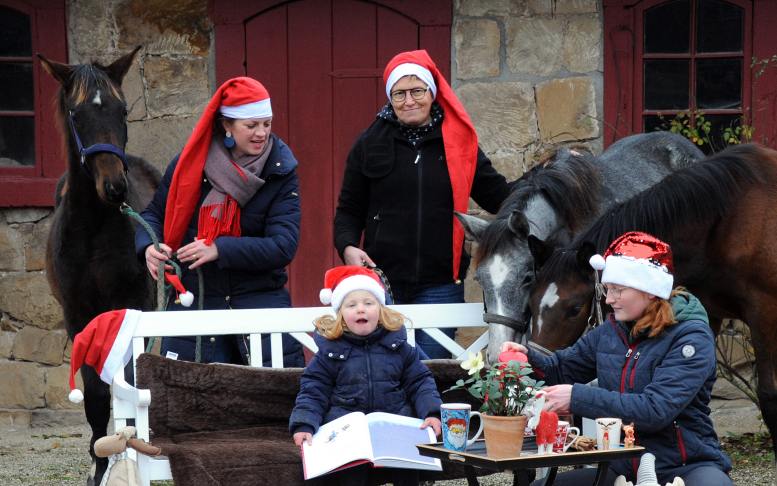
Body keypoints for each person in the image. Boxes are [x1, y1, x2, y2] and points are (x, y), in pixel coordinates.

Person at [502, 232, 733, 486]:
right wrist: (527, 358)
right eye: (607, 289)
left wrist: (574, 397)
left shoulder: (691, 337)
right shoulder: (612, 330)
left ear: (649, 290)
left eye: (617, 290)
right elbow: (561, 369)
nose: (609, 299)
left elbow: (655, 410)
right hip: (621, 467)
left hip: (686, 467)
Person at [334, 50, 518, 359]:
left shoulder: (459, 143)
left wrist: (547, 172)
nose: (409, 101)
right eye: (400, 93)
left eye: (417, 91)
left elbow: (500, 195)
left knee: (431, 371)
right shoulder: (369, 142)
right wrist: (348, 246)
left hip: (440, 283)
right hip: (382, 283)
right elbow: (349, 210)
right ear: (389, 97)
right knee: (387, 368)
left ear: (432, 93)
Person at [135, 77, 304, 367]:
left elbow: (283, 246)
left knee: (266, 409)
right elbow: (154, 214)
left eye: (267, 123)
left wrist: (220, 249)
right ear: (227, 125)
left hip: (259, 308)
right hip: (195, 306)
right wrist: (147, 247)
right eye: (251, 126)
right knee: (191, 407)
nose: (261, 133)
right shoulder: (188, 164)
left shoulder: (281, 172)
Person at [290, 266, 443, 485]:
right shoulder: (329, 354)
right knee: (352, 472)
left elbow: (420, 382)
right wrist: (304, 424)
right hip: (348, 431)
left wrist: (431, 412)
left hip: (393, 424)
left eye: (368, 303)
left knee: (408, 466)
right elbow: (313, 391)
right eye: (351, 305)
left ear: (381, 310)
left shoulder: (399, 348)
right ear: (341, 316)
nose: (360, 309)